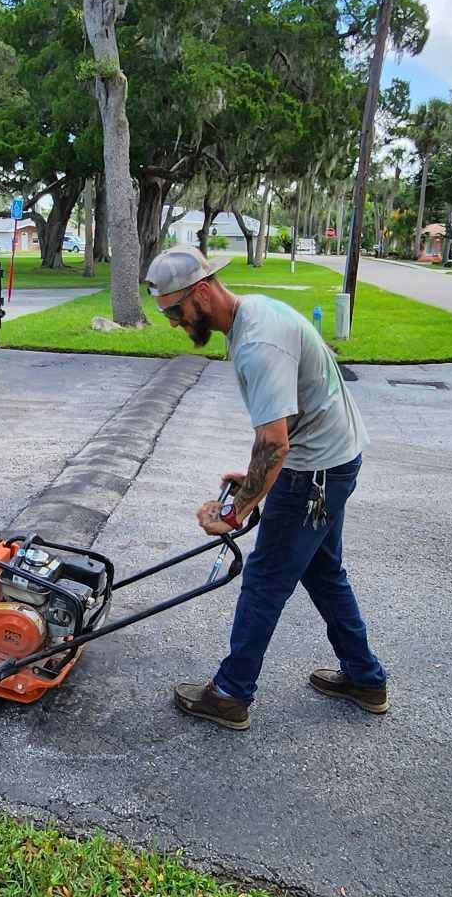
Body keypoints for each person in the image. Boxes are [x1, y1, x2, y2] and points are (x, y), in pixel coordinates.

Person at [147, 245, 388, 731]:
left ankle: (231, 694)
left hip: (313, 472)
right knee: (323, 573)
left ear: (201, 291)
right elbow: (278, 435)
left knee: (263, 582)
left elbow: (273, 442)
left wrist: (235, 511)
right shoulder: (252, 314)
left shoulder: (257, 344)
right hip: (329, 461)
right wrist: (254, 481)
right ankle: (365, 678)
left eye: (175, 310)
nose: (173, 321)